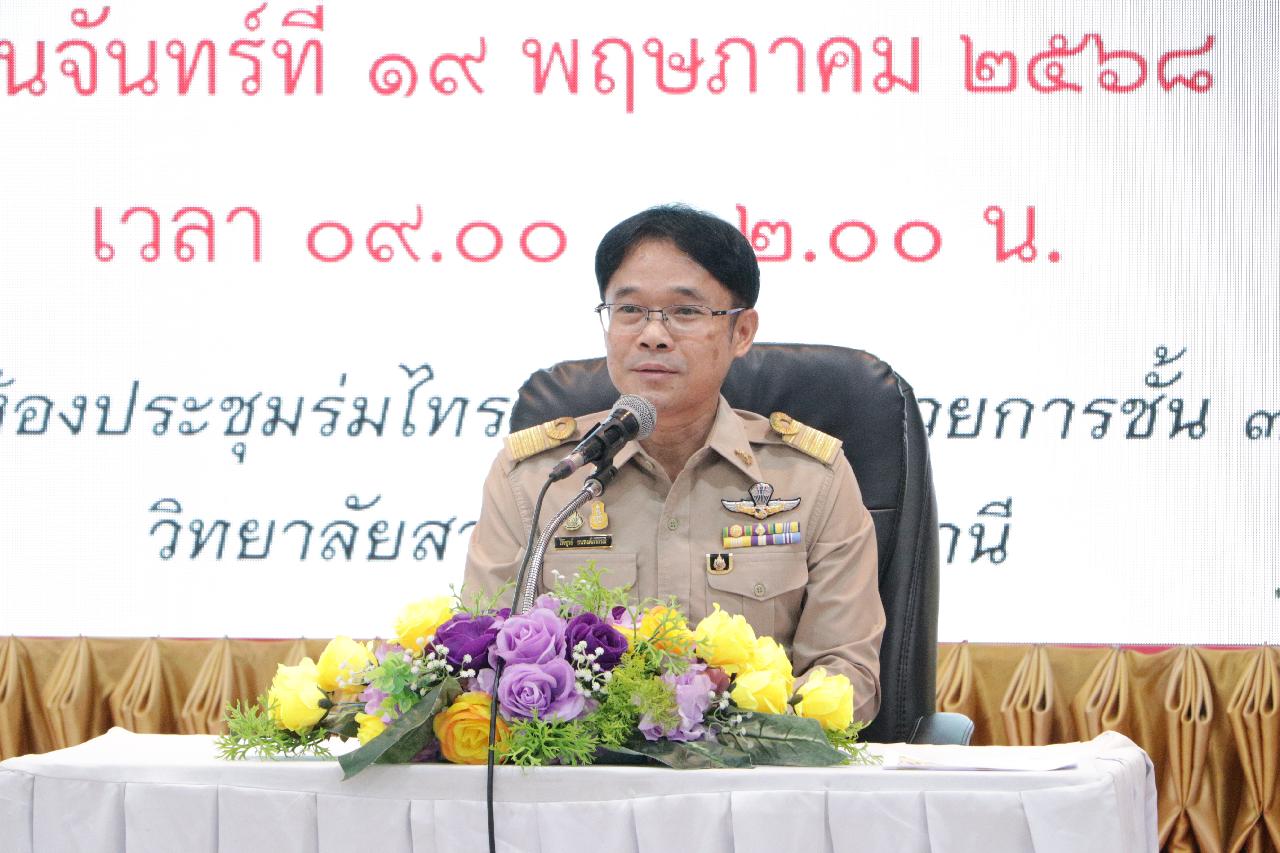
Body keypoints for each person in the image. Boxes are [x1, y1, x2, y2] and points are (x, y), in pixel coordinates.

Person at [463, 204, 885, 723]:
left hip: (753, 764)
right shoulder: (540, 480)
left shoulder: (811, 478)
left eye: (685, 312)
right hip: (584, 766)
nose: (652, 335)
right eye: (629, 310)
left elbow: (846, 679)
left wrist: (717, 722)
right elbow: (485, 662)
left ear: (742, 331)